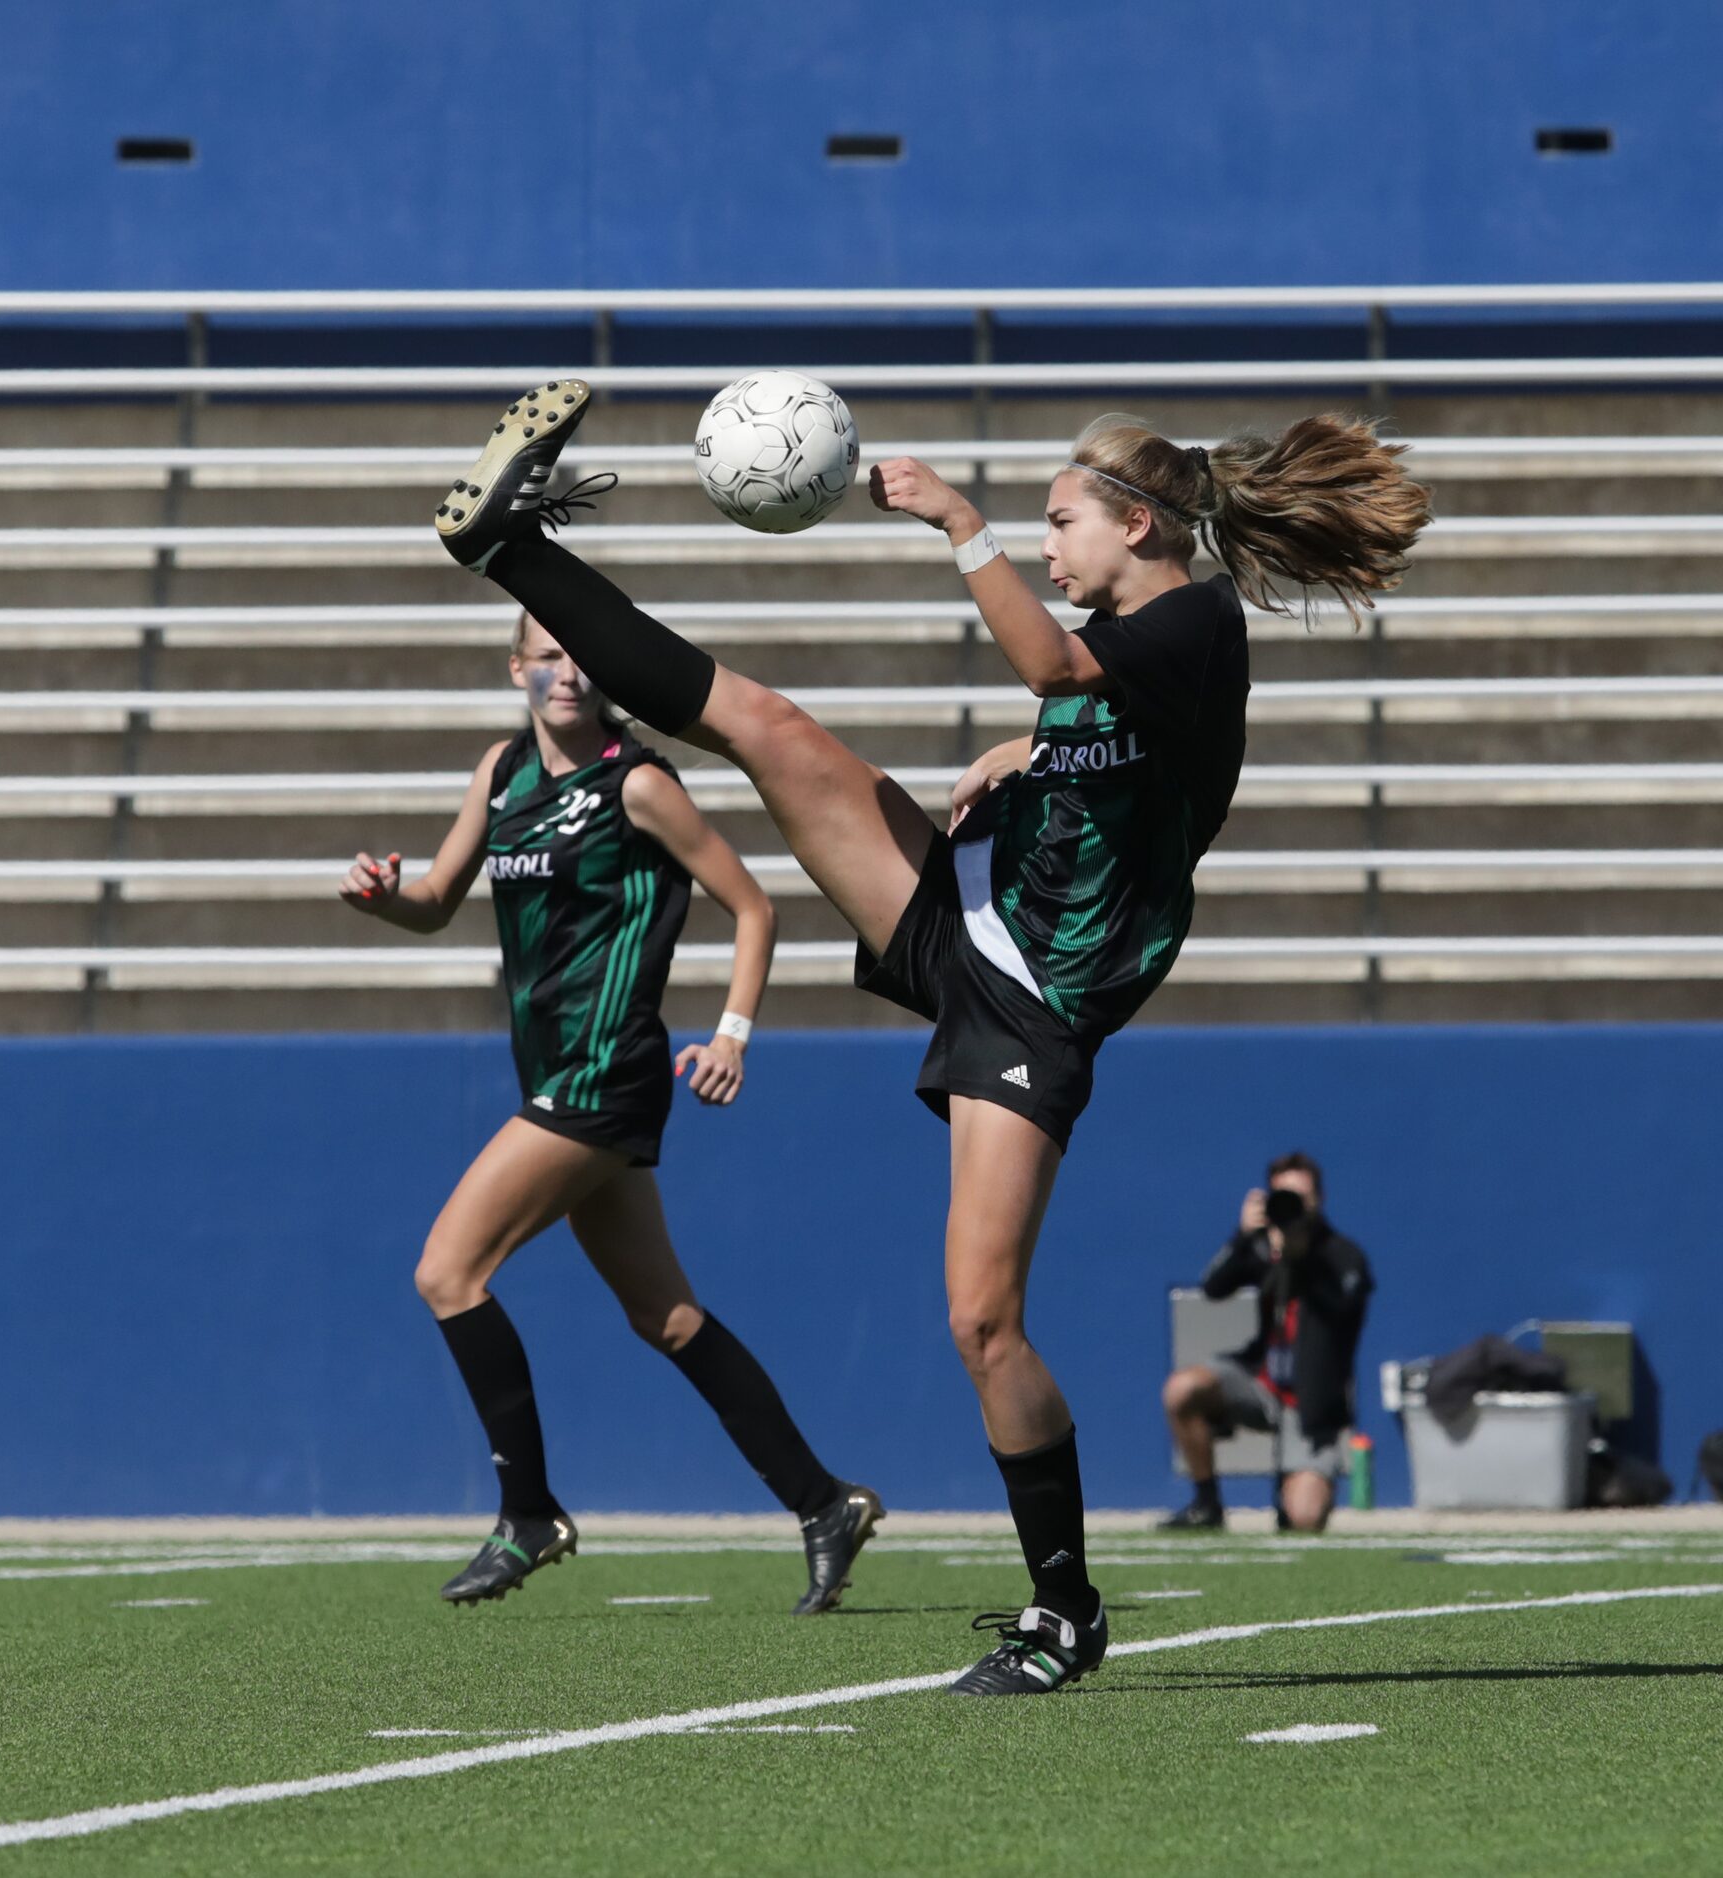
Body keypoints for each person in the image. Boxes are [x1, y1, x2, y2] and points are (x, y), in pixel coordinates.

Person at [428, 380, 1428, 1693]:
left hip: (1034, 1000)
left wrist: (961, 526)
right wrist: (1028, 747)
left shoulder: (1191, 620)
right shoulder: (1145, 636)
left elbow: (1068, 674)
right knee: (759, 723)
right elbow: (1086, 715)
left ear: (1135, 524)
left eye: (1061, 522)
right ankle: (512, 546)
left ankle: (1064, 1609)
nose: (1050, 545)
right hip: (972, 911)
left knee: (982, 1320)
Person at [340, 610, 882, 1612]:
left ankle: (528, 1512)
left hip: (602, 1074)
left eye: (579, 656)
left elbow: (755, 906)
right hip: (550, 1071)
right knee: (666, 1315)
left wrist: (730, 1035)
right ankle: (821, 1503)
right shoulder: (501, 771)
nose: (565, 672)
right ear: (516, 669)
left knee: (447, 1271)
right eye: (545, 656)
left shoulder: (638, 783)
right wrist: (386, 899)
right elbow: (437, 899)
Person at [1159, 1151, 1376, 1534]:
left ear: (1319, 1201)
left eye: (1300, 1200)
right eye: (1282, 1198)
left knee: (1305, 1519)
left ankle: (1294, 1488)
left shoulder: (1342, 1255)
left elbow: (1342, 1307)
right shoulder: (1262, 1249)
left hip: (1311, 1406)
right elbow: (1214, 1287)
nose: (1291, 1209)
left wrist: (1300, 1256)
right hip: (1260, 1382)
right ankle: (1207, 1504)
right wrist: (1243, 1238)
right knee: (1182, 1389)